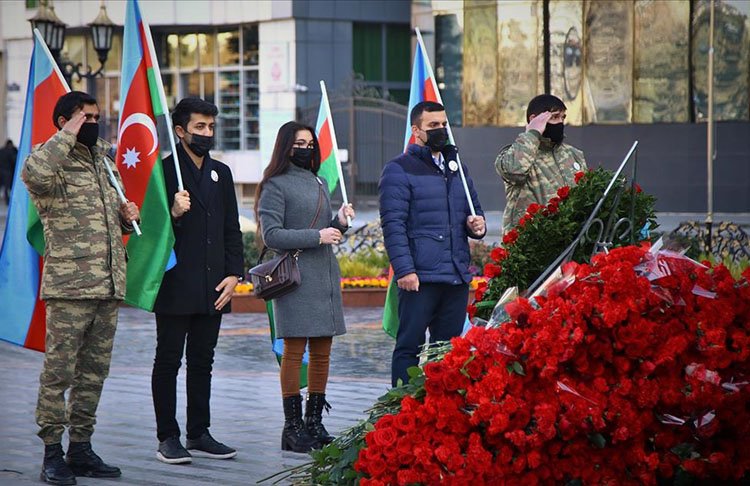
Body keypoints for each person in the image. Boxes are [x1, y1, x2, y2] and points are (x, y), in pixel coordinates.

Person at [21, 91, 140, 485]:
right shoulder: (48, 159)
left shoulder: (105, 161)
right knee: (59, 374)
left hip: (107, 284)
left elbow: (111, 222)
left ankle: (81, 448)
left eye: (96, 116)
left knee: (93, 375)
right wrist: (66, 136)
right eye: (84, 118)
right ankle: (52, 452)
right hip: (69, 286)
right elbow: (33, 177)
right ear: (63, 122)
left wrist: (126, 218)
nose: (93, 123)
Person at [151, 97, 244, 464]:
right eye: (199, 128)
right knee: (169, 359)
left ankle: (199, 432)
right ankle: (167, 436)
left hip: (214, 286)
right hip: (176, 284)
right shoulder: (164, 171)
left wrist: (235, 274)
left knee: (203, 360)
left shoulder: (221, 172)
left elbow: (231, 229)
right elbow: (147, 231)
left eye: (210, 127)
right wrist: (172, 213)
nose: (207, 134)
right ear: (180, 131)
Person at [255, 121, 355, 453]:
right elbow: (272, 235)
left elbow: (328, 231)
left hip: (324, 276)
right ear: (286, 146)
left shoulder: (320, 181)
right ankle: (292, 427)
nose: (306, 148)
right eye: (299, 143)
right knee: (295, 352)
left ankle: (314, 423)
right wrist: (317, 236)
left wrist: (339, 222)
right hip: (295, 278)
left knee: (322, 354)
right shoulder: (274, 185)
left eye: (310, 143)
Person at [378, 100, 486, 388]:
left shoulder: (456, 166)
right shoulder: (398, 169)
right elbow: (393, 225)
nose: (440, 130)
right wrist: (404, 271)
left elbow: (474, 210)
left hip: (455, 274)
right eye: (433, 126)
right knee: (409, 347)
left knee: (447, 352)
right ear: (416, 131)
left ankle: (438, 413)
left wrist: (478, 225)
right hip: (420, 277)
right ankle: (399, 412)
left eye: (443, 124)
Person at [495, 93, 587, 232]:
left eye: (563, 117)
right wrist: (533, 132)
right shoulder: (515, 154)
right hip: (531, 243)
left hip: (570, 241)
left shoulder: (574, 154)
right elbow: (514, 171)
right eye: (555, 117)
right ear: (534, 119)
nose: (560, 122)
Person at [0, 139, 18, 204]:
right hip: (9, 172)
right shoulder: (12, 151)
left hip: (2, 171)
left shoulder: (1, 151)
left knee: (5, 187)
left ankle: (7, 200)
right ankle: (12, 200)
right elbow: (14, 161)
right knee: (10, 187)